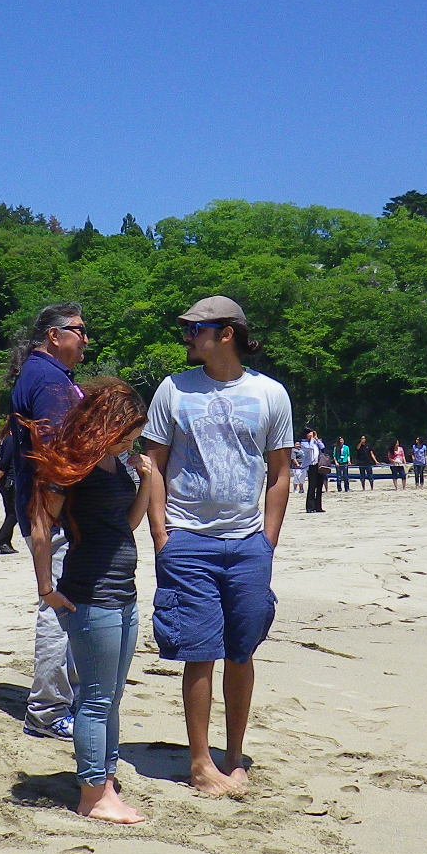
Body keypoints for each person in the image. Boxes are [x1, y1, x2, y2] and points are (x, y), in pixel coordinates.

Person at [144, 297, 292, 797]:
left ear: (226, 333)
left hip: (248, 543)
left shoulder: (271, 394)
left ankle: (234, 756)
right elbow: (154, 466)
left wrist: (266, 542)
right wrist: (163, 536)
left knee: (242, 650)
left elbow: (280, 474)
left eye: (194, 330)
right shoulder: (173, 390)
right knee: (199, 651)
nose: (186, 339)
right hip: (188, 539)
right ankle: (201, 762)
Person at [27, 379, 159, 824]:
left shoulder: (116, 465)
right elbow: (41, 527)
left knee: (112, 697)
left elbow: (128, 523)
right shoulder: (73, 467)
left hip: (124, 590)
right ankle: (92, 794)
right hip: (91, 595)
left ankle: (106, 780)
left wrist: (146, 481)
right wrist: (47, 589)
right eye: (127, 431)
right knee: (98, 699)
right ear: (107, 424)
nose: (132, 440)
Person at [9, 303, 89, 741]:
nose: (85, 339)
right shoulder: (49, 381)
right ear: (54, 336)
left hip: (51, 514)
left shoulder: (47, 377)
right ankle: (48, 710)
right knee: (58, 607)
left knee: (64, 605)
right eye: (78, 330)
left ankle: (60, 701)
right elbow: (57, 458)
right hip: (54, 515)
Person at [0, 432, 20, 553]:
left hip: (10, 480)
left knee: (11, 513)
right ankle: (0, 541)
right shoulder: (11, 439)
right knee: (15, 513)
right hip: (9, 481)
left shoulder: (10, 439)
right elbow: (5, 461)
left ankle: (6, 541)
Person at [298, 429, 328, 513]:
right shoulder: (304, 443)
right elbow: (310, 448)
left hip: (319, 465)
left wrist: (317, 439)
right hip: (311, 466)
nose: (311, 435)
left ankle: (318, 507)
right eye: (310, 434)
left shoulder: (316, 441)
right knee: (312, 486)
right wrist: (311, 440)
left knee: (319, 486)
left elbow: (322, 447)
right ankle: (310, 507)